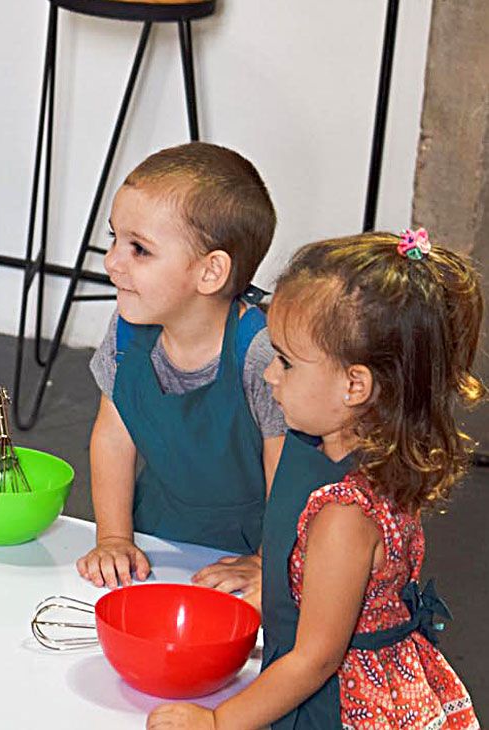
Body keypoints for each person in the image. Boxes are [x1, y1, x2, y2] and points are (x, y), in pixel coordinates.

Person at [149, 231, 481, 729]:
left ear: (355, 385)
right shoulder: (324, 450)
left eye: (286, 361)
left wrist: (217, 723)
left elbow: (315, 661)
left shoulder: (346, 514)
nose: (269, 377)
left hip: (339, 706)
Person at [75, 143, 287, 600]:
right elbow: (113, 436)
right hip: (158, 536)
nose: (112, 262)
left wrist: (270, 565)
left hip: (252, 550)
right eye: (114, 239)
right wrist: (114, 537)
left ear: (211, 272)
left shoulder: (261, 354)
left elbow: (288, 475)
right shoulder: (128, 332)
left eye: (139, 250)